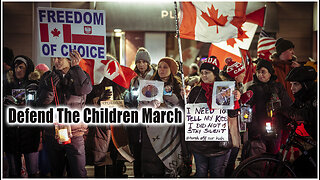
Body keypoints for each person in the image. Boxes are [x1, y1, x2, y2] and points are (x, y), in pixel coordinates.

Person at [36, 50, 92, 177]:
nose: (56, 61)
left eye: (60, 58)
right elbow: (41, 104)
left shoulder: (80, 74)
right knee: (56, 172)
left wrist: (76, 67)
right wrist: (49, 89)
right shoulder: (47, 77)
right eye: (54, 58)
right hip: (53, 132)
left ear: (69, 59)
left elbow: (85, 89)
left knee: (78, 172)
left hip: (75, 133)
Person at [187, 56, 234, 177]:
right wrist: (185, 99)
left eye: (207, 73)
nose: (204, 76)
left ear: (215, 74)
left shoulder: (224, 91)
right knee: (201, 174)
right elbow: (188, 114)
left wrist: (236, 99)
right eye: (202, 73)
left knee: (216, 174)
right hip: (200, 145)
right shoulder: (195, 91)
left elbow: (232, 114)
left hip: (219, 145)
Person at [140, 57, 186, 177]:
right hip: (152, 132)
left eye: (165, 67)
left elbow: (182, 109)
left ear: (172, 70)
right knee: (153, 166)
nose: (161, 70)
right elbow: (141, 107)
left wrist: (183, 97)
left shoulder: (178, 85)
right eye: (159, 67)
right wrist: (151, 104)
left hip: (171, 132)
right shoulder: (149, 84)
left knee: (169, 165)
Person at [245, 59, 292, 157]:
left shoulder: (278, 87)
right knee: (259, 157)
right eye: (258, 72)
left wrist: (284, 121)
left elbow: (287, 105)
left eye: (263, 72)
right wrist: (253, 127)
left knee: (274, 155)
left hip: (276, 127)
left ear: (270, 73)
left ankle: (273, 172)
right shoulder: (253, 89)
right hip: (258, 129)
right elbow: (246, 109)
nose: (260, 75)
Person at [3, 55, 41, 177]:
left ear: (28, 68)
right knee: (13, 173)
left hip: (30, 135)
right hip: (11, 136)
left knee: (33, 172)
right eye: (15, 67)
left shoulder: (35, 86)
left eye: (21, 67)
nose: (18, 70)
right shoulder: (6, 86)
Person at [124, 47, 155, 177]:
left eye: (144, 61)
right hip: (136, 122)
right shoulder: (134, 79)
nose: (141, 64)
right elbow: (129, 98)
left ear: (148, 63)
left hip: (150, 121)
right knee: (136, 151)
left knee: (149, 152)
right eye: (139, 62)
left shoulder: (155, 77)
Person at [283, 66, 317, 177]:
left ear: (306, 85)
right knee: (299, 166)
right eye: (291, 84)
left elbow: (307, 114)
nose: (292, 88)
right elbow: (293, 109)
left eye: (295, 84)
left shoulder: (315, 97)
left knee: (304, 168)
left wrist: (288, 112)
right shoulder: (302, 96)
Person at [220, 57, 248, 176]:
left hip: (234, 126)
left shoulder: (238, 86)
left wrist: (243, 98)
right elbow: (230, 110)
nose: (244, 75)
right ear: (236, 75)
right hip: (228, 128)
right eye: (242, 73)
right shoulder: (228, 88)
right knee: (228, 158)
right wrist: (238, 100)